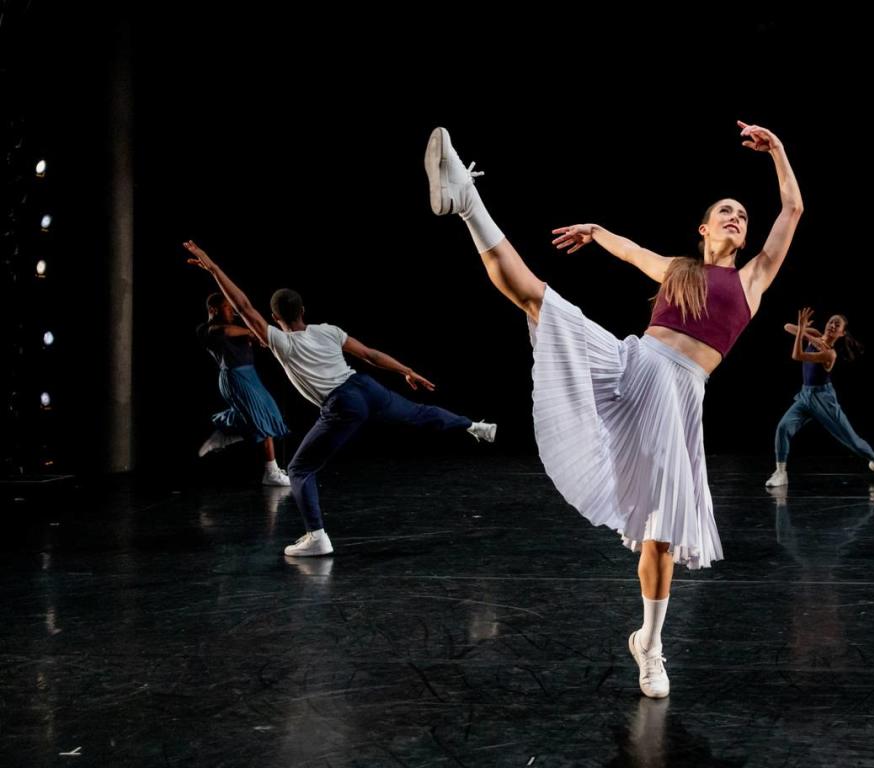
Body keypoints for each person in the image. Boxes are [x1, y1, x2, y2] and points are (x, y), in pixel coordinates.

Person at [425, 121, 803, 697]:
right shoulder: (679, 270)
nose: (736, 217)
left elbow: (793, 210)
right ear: (703, 228)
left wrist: (776, 151)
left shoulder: (752, 279)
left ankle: (649, 644)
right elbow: (632, 251)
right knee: (539, 301)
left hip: (679, 400)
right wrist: (598, 231)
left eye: (743, 216)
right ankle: (466, 200)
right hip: (633, 366)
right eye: (725, 211)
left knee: (662, 537)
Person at [184, 241, 497, 557]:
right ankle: (474, 426)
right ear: (303, 311)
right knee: (419, 413)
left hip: (343, 403)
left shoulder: (280, 342)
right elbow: (370, 355)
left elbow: (243, 306)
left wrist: (214, 269)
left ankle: (317, 537)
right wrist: (407, 370)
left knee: (300, 470)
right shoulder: (328, 331)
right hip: (365, 386)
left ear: (275, 316)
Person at [765, 308, 874, 487]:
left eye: (837, 324)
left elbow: (797, 355)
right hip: (805, 395)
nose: (832, 325)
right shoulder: (815, 335)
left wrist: (803, 333)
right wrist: (807, 333)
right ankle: (781, 473)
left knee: (852, 439)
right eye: (831, 321)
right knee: (783, 427)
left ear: (842, 333)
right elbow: (787, 326)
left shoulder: (830, 354)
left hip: (824, 399)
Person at [196, 292, 292, 486]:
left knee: (271, 416)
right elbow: (223, 332)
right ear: (213, 310)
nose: (232, 311)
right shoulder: (207, 329)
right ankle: (271, 472)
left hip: (250, 375)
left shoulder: (236, 328)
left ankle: (224, 434)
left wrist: (259, 339)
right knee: (263, 418)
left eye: (232, 307)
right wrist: (251, 332)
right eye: (227, 307)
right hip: (234, 377)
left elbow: (255, 340)